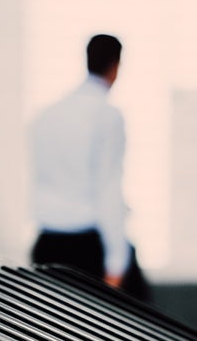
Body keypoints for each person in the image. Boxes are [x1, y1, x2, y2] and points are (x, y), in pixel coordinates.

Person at [28, 33, 150, 301]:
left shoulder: (47, 115)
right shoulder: (107, 116)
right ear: (116, 65)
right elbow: (108, 187)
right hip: (88, 248)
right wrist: (116, 264)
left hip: (47, 244)